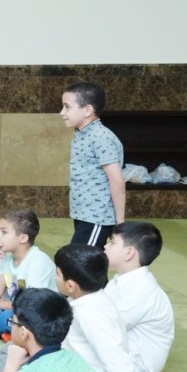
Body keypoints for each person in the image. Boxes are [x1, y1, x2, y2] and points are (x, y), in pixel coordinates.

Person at [53, 245, 158, 372]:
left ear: (71, 285)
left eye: (57, 274)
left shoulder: (91, 314)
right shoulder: (94, 298)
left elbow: (119, 365)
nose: (55, 278)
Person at [104, 221, 175, 372]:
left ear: (129, 253)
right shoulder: (119, 281)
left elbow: (106, 328)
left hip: (136, 367)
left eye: (113, 243)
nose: (106, 246)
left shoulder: (141, 290)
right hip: (121, 356)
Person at [61, 81, 125, 248]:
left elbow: (117, 180)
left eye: (67, 107)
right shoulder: (82, 135)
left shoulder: (101, 137)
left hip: (97, 216)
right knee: (89, 266)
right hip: (84, 213)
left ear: (88, 110)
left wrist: (120, 221)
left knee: (80, 263)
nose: (62, 113)